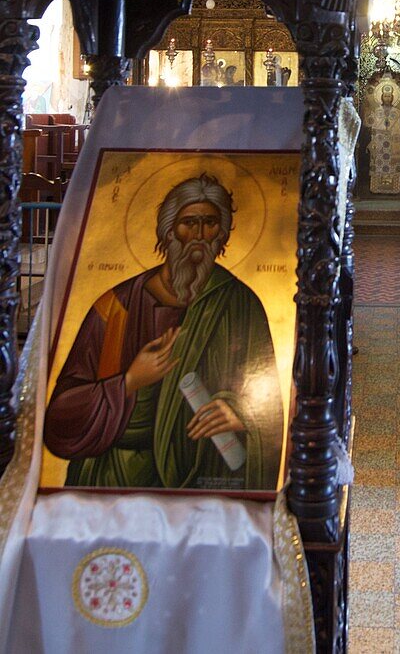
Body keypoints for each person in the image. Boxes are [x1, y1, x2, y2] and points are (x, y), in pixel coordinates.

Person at [45, 173, 283, 491]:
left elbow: (269, 398)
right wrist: (129, 381)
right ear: (168, 231)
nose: (199, 235)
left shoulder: (239, 303)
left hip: (207, 471)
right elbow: (61, 414)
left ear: (222, 233)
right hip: (115, 477)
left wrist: (241, 413)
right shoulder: (116, 306)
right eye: (189, 222)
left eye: (210, 223)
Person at [366, 83, 400, 194]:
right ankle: (376, 188)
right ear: (381, 97)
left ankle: (394, 188)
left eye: (389, 96)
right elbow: (369, 123)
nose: (387, 98)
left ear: (393, 98)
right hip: (379, 143)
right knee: (378, 163)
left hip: (393, 144)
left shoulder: (397, 112)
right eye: (385, 96)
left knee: (393, 165)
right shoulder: (376, 111)